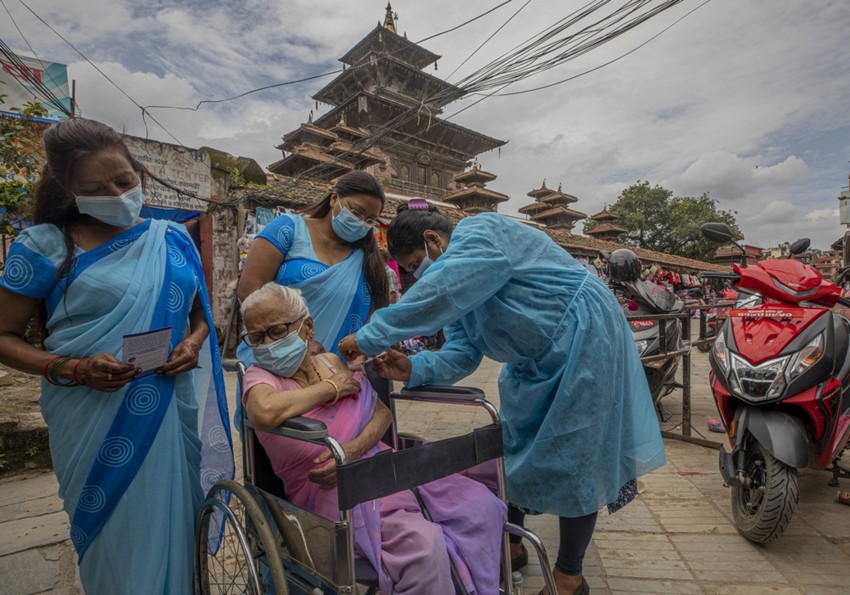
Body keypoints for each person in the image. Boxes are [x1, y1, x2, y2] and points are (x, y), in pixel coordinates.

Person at [338, 201, 666, 595]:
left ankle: (568, 576)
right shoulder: (461, 290)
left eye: (412, 265)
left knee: (578, 454)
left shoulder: (483, 232)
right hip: (531, 360)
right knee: (512, 444)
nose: (415, 276)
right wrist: (413, 368)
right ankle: (512, 544)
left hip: (587, 339)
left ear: (433, 240)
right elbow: (462, 352)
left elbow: (441, 290)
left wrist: (369, 336)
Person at [0, 118, 233, 594]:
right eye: (94, 186)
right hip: (90, 415)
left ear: (139, 172)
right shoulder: (44, 245)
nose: (115, 192)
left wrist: (192, 344)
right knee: (114, 543)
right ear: (68, 189)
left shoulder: (171, 239)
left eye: (124, 181)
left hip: (168, 408)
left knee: (172, 529)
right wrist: (73, 368)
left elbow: (200, 314)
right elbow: (2, 335)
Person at [240, 283, 506, 594]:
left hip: (380, 471)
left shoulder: (332, 362)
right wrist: (332, 388)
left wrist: (353, 450)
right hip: (332, 495)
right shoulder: (261, 377)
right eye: (256, 338)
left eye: (276, 331)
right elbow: (264, 411)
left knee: (480, 505)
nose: (267, 345)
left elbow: (382, 415)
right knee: (424, 546)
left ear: (307, 326)